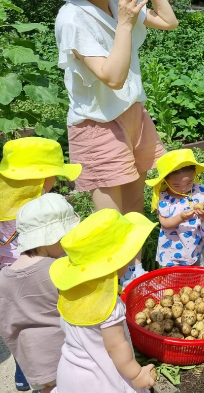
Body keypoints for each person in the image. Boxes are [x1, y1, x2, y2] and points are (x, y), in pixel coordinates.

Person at [53, 0, 178, 284]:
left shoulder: (110, 2)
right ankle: (115, 279)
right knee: (110, 218)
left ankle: (134, 269)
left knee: (135, 202)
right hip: (98, 125)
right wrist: (124, 23)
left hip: (133, 114)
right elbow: (112, 76)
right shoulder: (73, 18)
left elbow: (169, 22)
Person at [49, 208, 157, 393]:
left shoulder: (71, 291)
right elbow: (116, 346)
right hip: (99, 379)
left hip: (70, 372)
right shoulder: (107, 305)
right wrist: (137, 375)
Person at [0, 194, 81, 393]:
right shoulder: (57, 270)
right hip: (62, 353)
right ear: (48, 238)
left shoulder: (5, 275)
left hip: (31, 358)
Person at [0, 137, 82, 269]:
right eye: (54, 175)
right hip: (44, 269)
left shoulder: (4, 203)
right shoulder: (44, 207)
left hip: (8, 271)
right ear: (43, 179)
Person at [146, 149, 204, 267]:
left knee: (196, 270)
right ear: (165, 180)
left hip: (195, 243)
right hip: (173, 246)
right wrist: (181, 217)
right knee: (174, 274)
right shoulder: (164, 200)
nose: (183, 188)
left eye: (189, 182)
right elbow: (165, 223)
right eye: (176, 185)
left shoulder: (197, 192)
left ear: (194, 174)